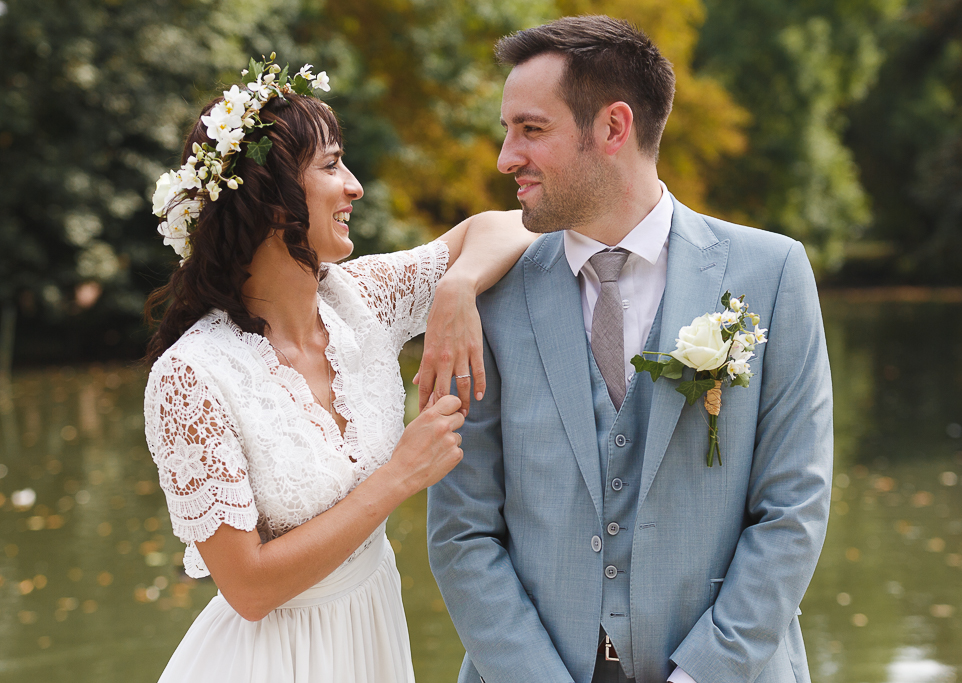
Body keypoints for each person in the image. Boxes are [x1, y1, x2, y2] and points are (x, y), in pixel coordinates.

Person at [427, 15, 833, 683]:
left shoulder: (774, 274)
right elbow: (461, 531)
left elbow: (793, 510)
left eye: (530, 129)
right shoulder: (487, 295)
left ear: (614, 128)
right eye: (507, 131)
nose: (504, 157)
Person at [142, 56, 532, 683]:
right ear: (269, 199)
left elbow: (512, 225)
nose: (354, 186)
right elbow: (248, 588)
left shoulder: (363, 299)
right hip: (270, 661)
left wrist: (457, 288)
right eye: (330, 166)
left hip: (370, 634)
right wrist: (401, 474)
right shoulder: (191, 378)